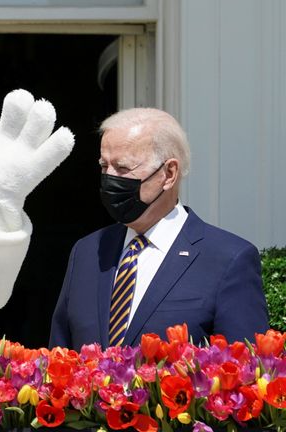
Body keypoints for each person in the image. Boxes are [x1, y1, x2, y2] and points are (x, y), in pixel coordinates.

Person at [49, 108, 268, 350]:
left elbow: (244, 372)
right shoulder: (88, 252)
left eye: (122, 168)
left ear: (169, 174)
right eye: (104, 166)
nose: (109, 178)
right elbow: (59, 358)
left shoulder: (228, 259)